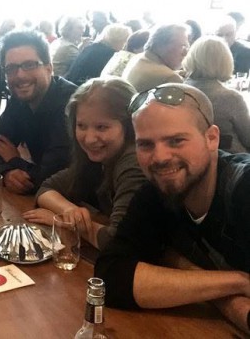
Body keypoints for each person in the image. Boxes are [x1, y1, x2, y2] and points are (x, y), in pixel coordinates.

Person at [95, 83, 250, 335]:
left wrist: (178, 266)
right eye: (146, 144)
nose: (160, 157)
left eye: (176, 141)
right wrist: (237, 282)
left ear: (211, 138)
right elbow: (111, 277)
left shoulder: (243, 189)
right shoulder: (156, 192)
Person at [23, 78, 146, 250]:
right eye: (81, 126)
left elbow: (117, 243)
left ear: (130, 126)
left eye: (101, 127)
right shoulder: (98, 158)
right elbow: (46, 188)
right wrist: (68, 210)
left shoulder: (134, 163)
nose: (89, 139)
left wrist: (63, 223)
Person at [0, 29, 77, 194]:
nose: (20, 75)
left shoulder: (69, 105)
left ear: (49, 68)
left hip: (84, 201)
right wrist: (6, 172)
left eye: (29, 65)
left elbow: (52, 177)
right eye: (11, 68)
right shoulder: (19, 100)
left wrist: (13, 159)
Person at [182, 36, 250, 153]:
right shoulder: (230, 98)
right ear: (225, 62)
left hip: (192, 153)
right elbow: (248, 138)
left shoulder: (180, 89)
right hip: (230, 158)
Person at [122, 23, 188, 91]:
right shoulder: (170, 78)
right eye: (182, 46)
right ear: (162, 45)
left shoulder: (138, 57)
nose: (185, 53)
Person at [65, 23, 132, 85]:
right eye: (125, 41)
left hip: (69, 85)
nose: (126, 45)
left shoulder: (91, 47)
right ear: (118, 40)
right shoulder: (109, 55)